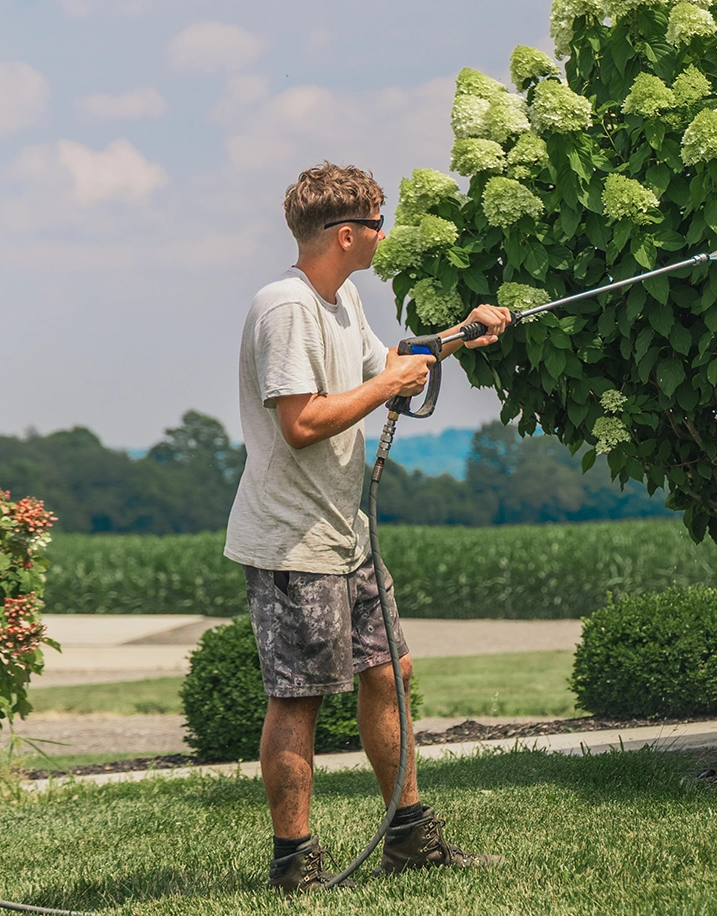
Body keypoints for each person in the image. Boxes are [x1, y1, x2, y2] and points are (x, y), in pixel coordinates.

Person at [225, 162, 509, 895]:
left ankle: (410, 839)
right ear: (346, 233)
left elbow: (384, 365)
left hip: (344, 534)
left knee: (391, 672)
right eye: (378, 223)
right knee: (299, 697)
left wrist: (457, 336)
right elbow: (301, 423)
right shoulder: (286, 307)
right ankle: (296, 864)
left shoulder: (342, 297)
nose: (385, 235)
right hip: (293, 539)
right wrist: (388, 384)